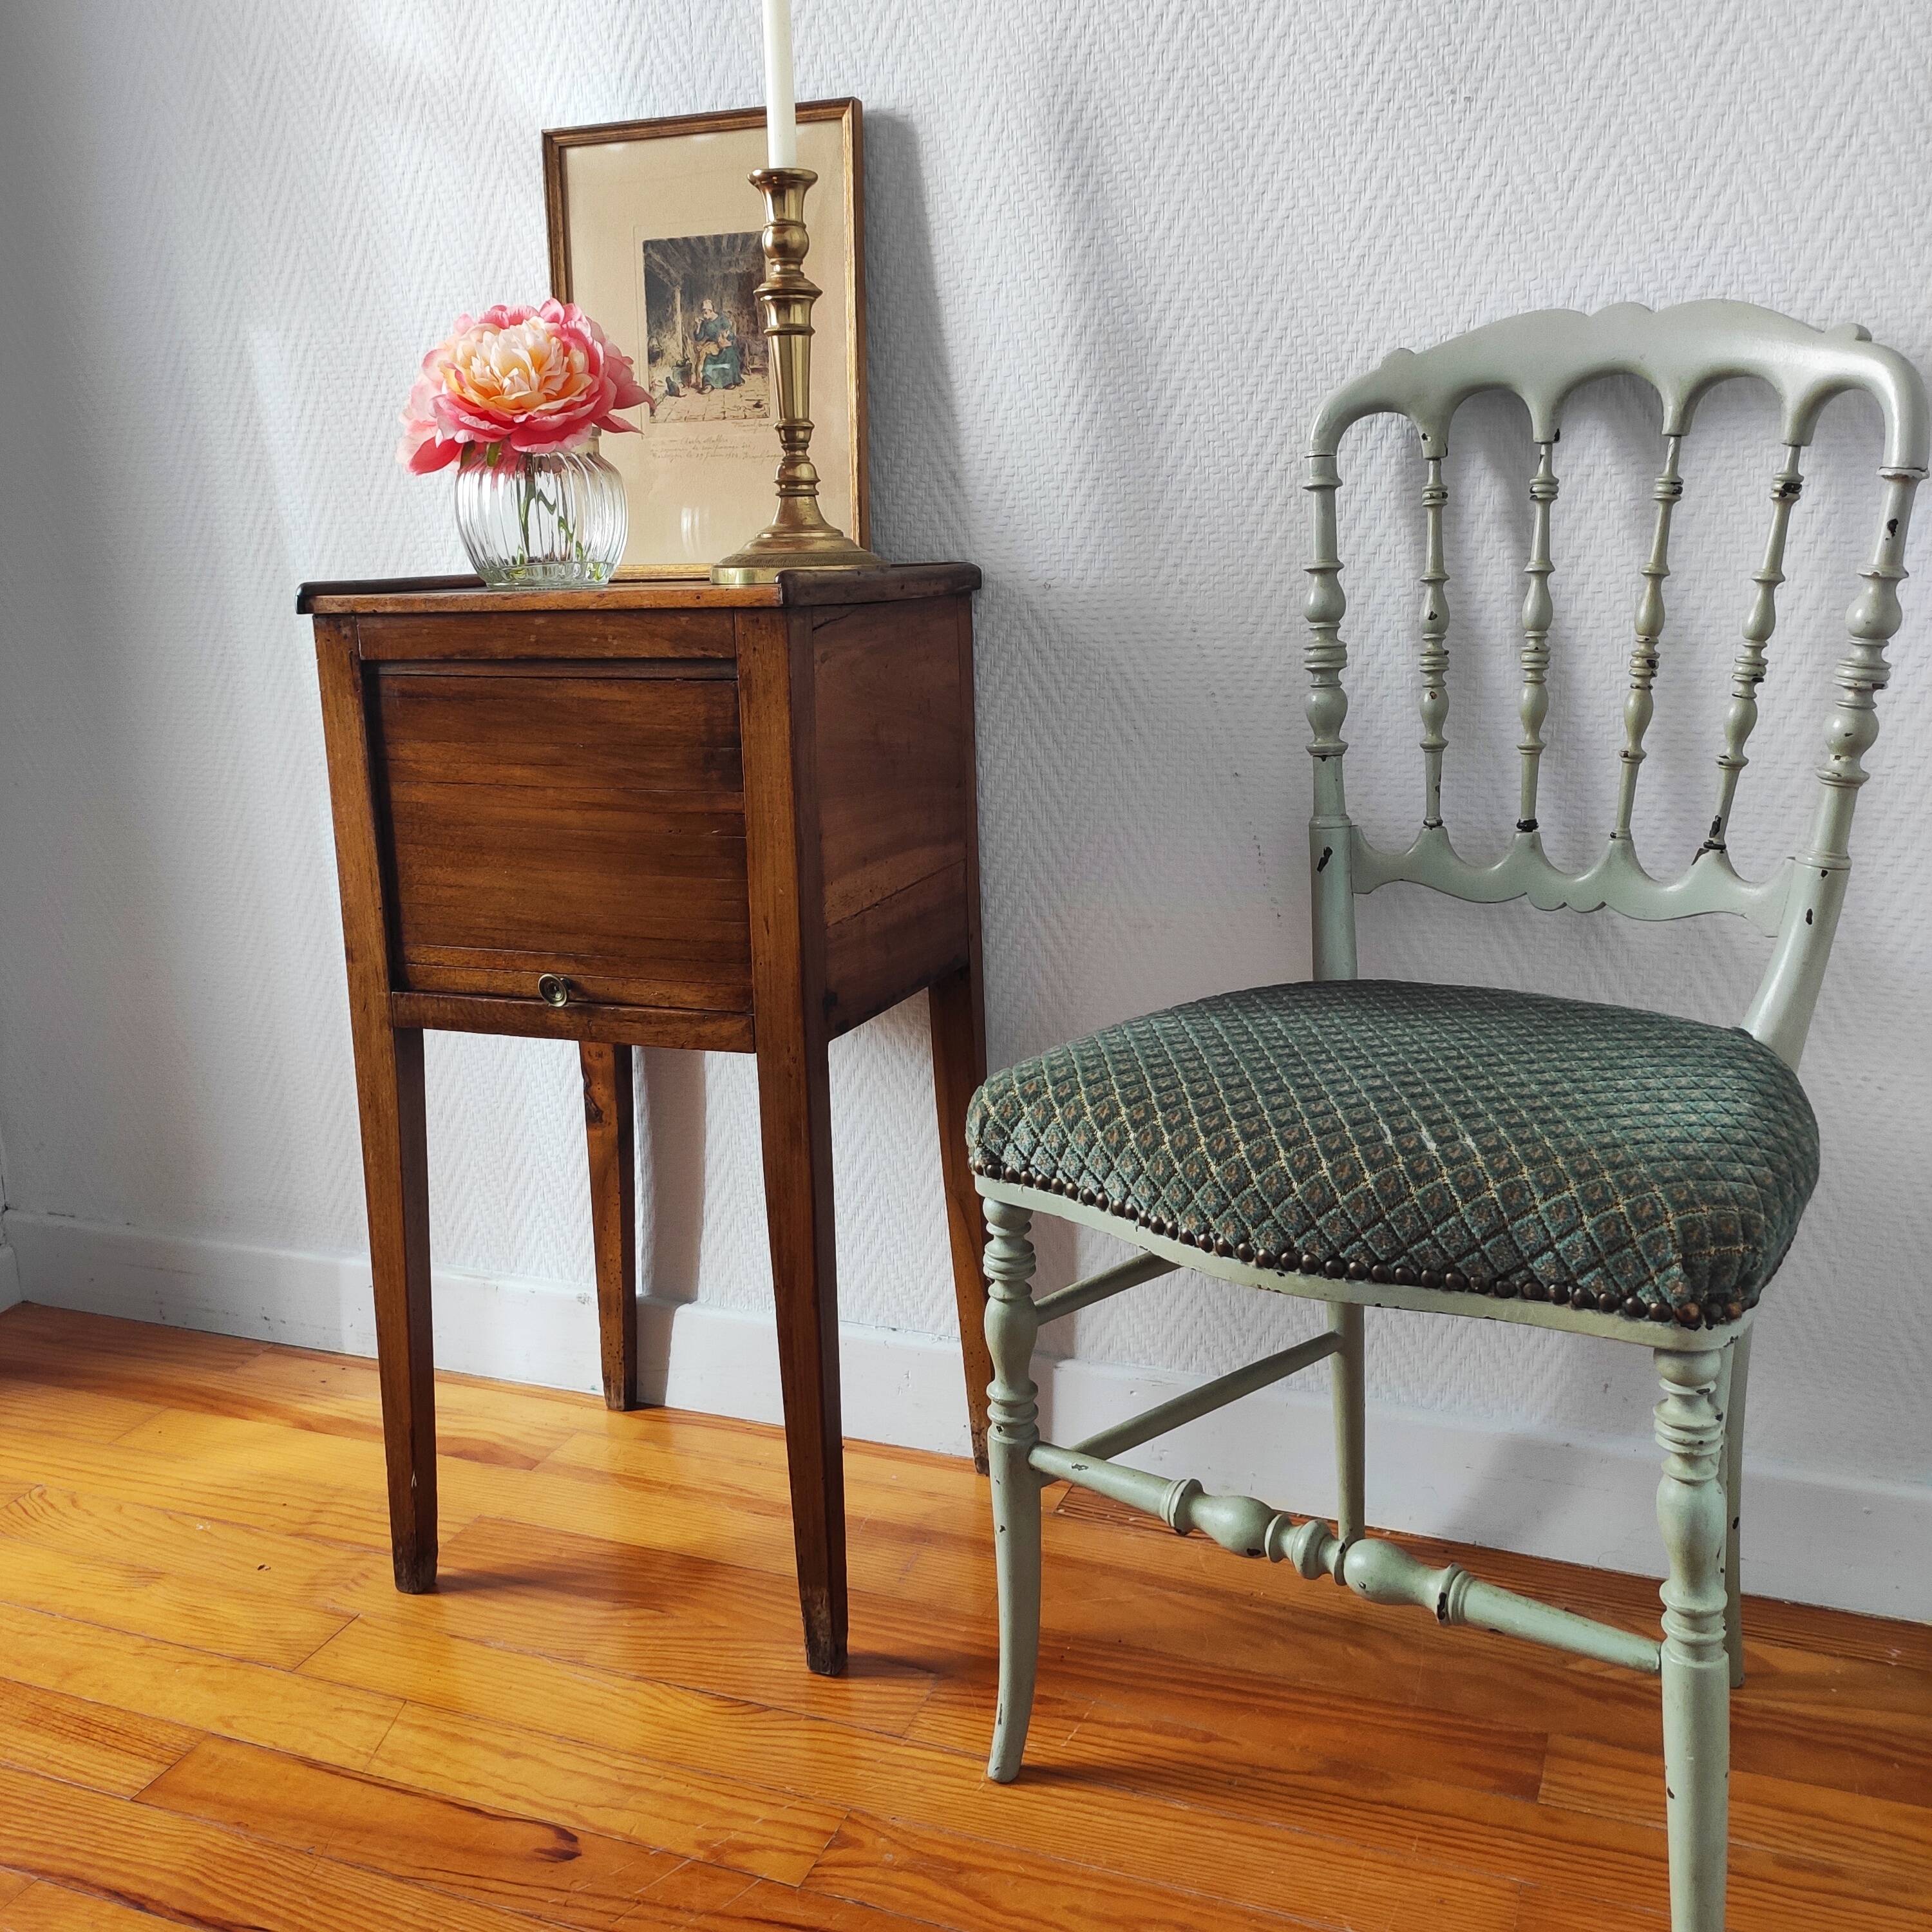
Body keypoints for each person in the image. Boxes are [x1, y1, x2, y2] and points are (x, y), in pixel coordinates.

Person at [692, 298, 742, 392]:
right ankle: (708, 384)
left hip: (724, 344)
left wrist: (725, 336)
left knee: (729, 353)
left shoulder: (722, 319)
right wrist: (698, 326)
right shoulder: (705, 323)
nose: (704, 314)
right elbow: (698, 337)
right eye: (703, 312)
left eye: (706, 312)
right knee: (707, 358)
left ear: (711, 311)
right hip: (711, 346)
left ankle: (728, 382)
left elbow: (731, 335)